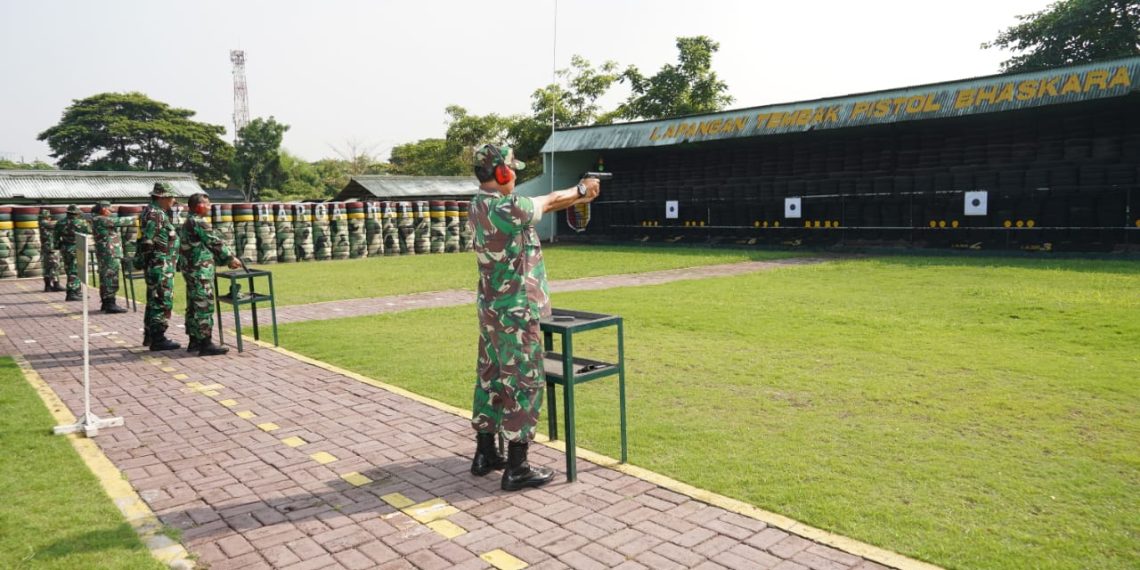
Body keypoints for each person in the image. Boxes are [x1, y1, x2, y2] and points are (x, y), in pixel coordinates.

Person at [467, 143, 600, 491]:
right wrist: (582, 190)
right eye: (511, 169)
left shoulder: (478, 205)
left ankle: (485, 453)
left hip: (493, 311)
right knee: (524, 382)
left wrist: (578, 196)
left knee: (491, 377)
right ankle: (517, 466)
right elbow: (549, 201)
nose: (515, 174)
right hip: (516, 311)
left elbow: (549, 203)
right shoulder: (506, 208)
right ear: (501, 173)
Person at [179, 193, 241, 356]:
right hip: (199, 271)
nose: (210, 206)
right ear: (199, 206)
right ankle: (205, 343)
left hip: (191, 269)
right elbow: (213, 241)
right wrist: (229, 258)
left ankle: (194, 341)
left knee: (193, 305)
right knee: (204, 304)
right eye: (207, 204)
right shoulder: (198, 221)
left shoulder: (189, 221)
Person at [138, 182, 181, 351]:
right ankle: (158, 338)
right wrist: (156, 264)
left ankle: (150, 336)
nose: (173, 200)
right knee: (161, 300)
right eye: (171, 197)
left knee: (153, 300)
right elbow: (148, 242)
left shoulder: (152, 212)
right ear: (162, 197)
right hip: (160, 266)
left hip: (158, 265)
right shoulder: (156, 214)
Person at [90, 202, 127, 313]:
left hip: (106, 252)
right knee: (111, 276)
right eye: (109, 210)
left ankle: (106, 302)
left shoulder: (97, 219)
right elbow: (123, 221)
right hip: (109, 253)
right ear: (103, 209)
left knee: (105, 277)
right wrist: (139, 216)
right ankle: (110, 304)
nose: (111, 212)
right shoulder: (101, 219)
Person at [53, 204, 90, 302]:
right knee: (75, 270)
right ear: (76, 213)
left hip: (65, 247)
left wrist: (57, 246)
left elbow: (55, 236)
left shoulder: (60, 222)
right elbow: (89, 232)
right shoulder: (81, 223)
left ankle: (76, 290)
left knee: (69, 268)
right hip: (77, 247)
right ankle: (72, 293)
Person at [38, 208, 63, 292]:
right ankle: (56, 284)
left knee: (48, 268)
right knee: (55, 266)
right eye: (49, 217)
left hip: (47, 248)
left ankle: (48, 286)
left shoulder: (42, 223)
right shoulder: (44, 223)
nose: (50, 218)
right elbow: (56, 225)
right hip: (50, 248)